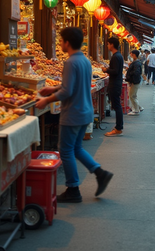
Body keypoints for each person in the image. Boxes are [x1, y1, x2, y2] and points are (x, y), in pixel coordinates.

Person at [35, 27, 113, 202]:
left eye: (61, 41)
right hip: (84, 111)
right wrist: (53, 88)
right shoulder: (84, 60)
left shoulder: (70, 62)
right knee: (76, 148)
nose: (60, 43)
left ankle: (73, 189)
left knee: (66, 150)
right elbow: (72, 86)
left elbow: (67, 91)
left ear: (67, 43)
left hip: (73, 113)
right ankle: (100, 173)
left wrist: (46, 100)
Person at [103, 37, 125, 137]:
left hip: (115, 83)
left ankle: (118, 128)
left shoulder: (115, 57)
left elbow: (115, 71)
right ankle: (118, 127)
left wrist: (106, 70)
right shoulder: (118, 56)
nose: (107, 46)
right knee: (117, 105)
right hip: (117, 82)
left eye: (108, 44)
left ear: (112, 44)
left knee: (117, 106)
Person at [125, 49, 143, 115]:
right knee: (134, 95)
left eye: (131, 54)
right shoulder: (136, 62)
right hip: (135, 81)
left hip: (135, 81)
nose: (130, 55)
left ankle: (136, 110)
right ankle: (138, 107)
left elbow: (136, 72)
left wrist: (130, 73)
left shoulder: (136, 63)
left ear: (134, 55)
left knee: (131, 96)